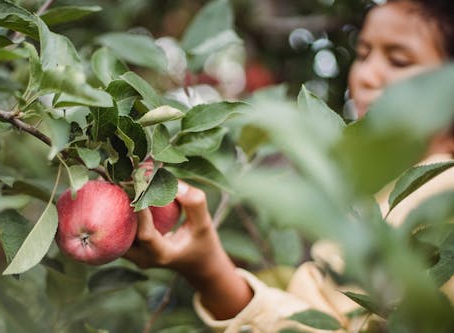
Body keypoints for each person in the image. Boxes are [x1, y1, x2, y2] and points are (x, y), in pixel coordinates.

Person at [124, 0, 454, 332]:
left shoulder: (442, 190)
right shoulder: (385, 197)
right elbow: (326, 320)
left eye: (399, 60)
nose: (366, 75)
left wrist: (209, 269)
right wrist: (208, 269)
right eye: (364, 53)